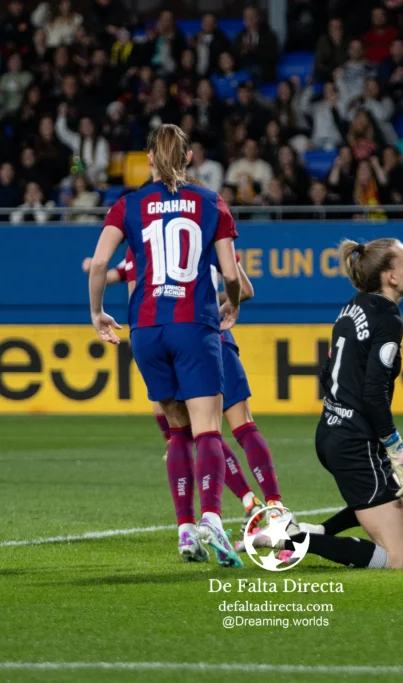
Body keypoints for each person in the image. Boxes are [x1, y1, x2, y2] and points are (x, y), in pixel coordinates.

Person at [87, 124, 247, 568]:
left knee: (176, 429)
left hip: (146, 328)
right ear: (190, 157)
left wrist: (97, 313)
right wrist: (231, 308)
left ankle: (184, 532)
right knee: (208, 428)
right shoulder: (212, 203)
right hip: (193, 323)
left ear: (150, 160)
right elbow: (232, 276)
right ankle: (212, 519)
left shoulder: (128, 205)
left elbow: (100, 262)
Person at [254, 238, 403, 570]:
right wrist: (395, 450)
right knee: (396, 561)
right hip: (355, 443)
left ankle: (319, 529)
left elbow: (326, 371)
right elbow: (374, 393)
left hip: (333, 431)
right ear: (390, 276)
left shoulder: (354, 306)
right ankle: (293, 538)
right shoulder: (388, 318)